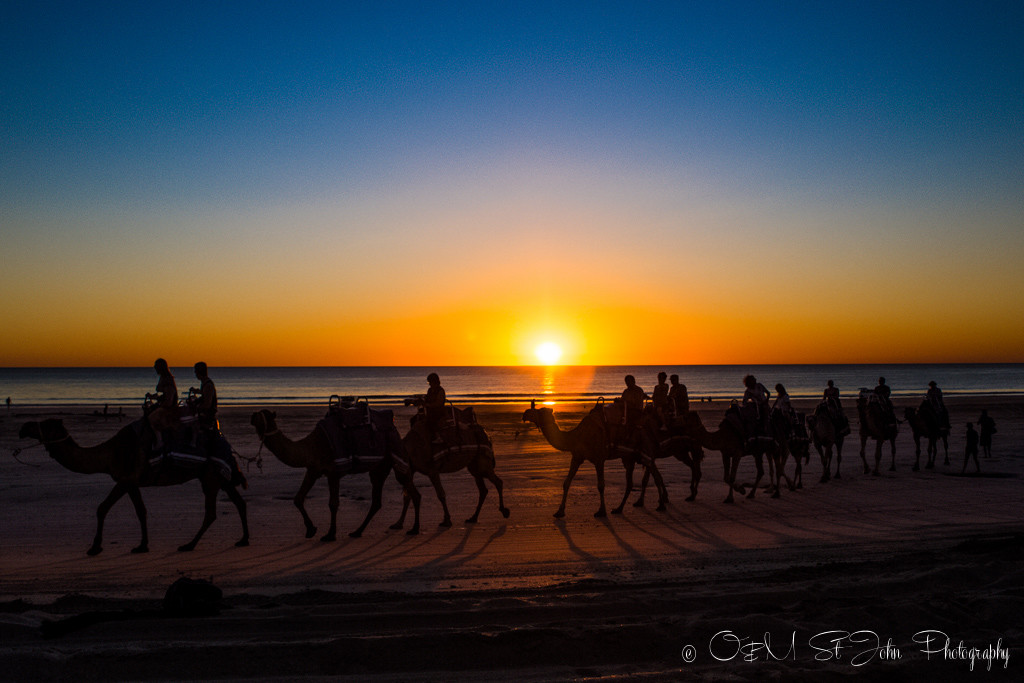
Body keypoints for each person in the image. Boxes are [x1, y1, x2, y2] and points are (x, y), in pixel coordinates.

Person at [190, 362, 218, 431]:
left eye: (196, 372)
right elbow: (204, 393)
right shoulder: (204, 383)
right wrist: (196, 391)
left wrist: (196, 407)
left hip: (207, 417)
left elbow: (207, 404)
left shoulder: (208, 385)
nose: (195, 374)